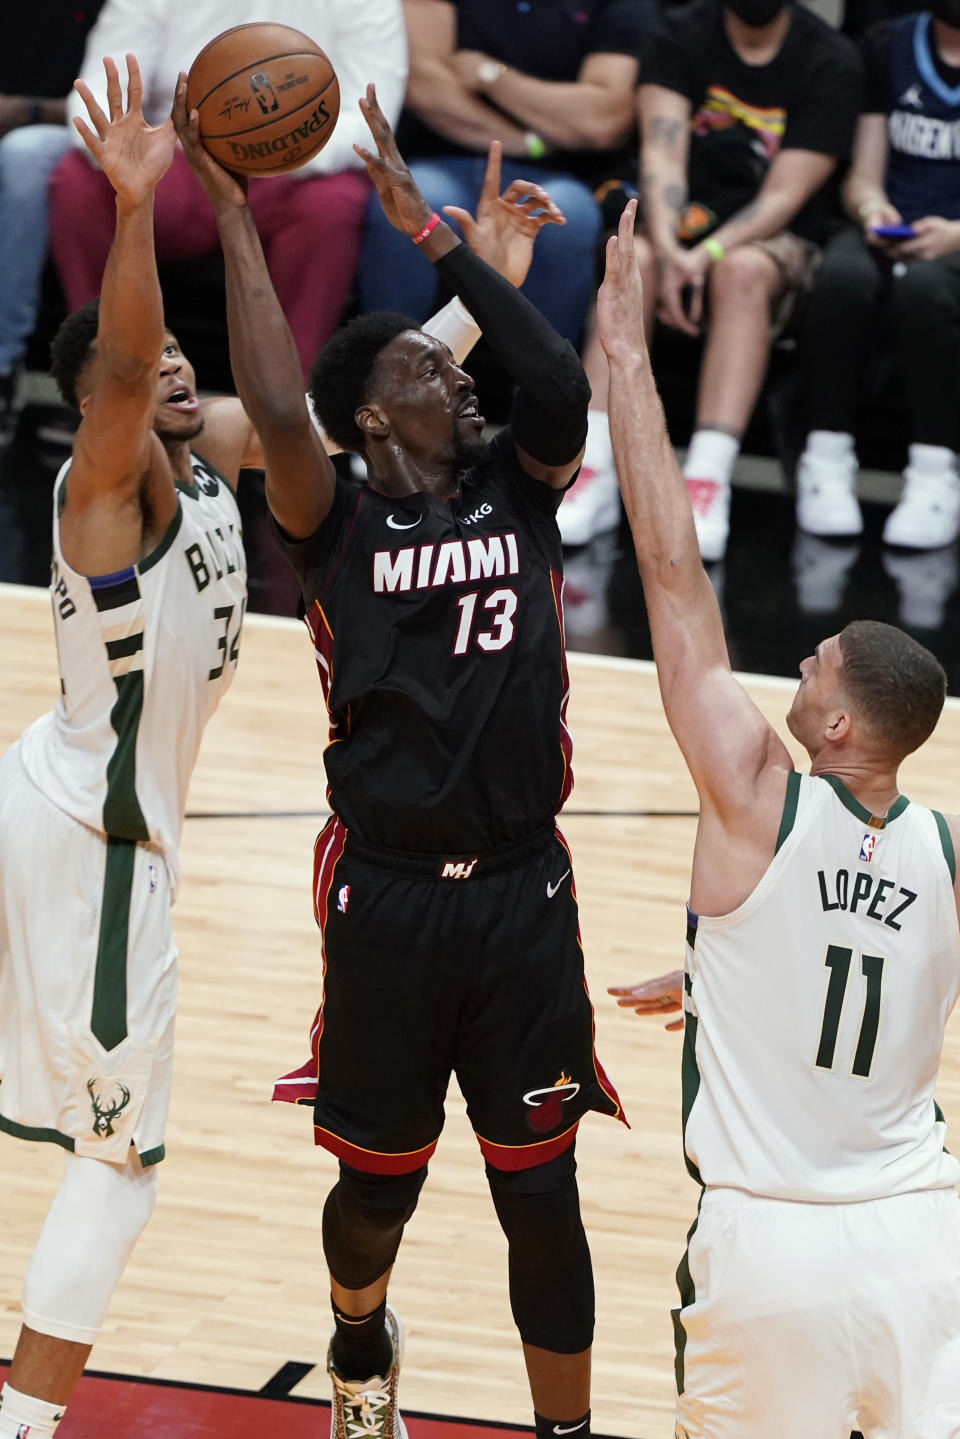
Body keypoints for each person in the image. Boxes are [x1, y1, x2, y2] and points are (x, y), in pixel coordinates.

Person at [174, 75, 624, 1439]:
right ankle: (358, 1336)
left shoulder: (518, 484)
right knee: (380, 1182)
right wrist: (235, 220)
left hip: (523, 894)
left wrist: (443, 249)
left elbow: (551, 374)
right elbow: (271, 394)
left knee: (540, 1187)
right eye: (422, 368)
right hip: (388, 895)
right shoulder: (334, 514)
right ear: (369, 420)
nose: (452, 372)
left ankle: (567, 1428)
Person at [597, 197, 960, 1435]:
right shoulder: (946, 857)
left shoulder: (756, 794)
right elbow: (878, 954)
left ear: (844, 728)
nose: (798, 662)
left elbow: (669, 575)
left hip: (771, 1247)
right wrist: (727, 968)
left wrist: (631, 369)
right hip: (924, 1245)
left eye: (816, 665)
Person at [579, 0, 861, 561]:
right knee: (633, 259)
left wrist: (706, 253)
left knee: (742, 271)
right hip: (680, 225)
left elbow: (785, 194)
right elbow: (662, 155)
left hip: (767, 238)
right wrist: (670, 245)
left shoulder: (832, 59)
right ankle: (592, 467)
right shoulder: (680, 32)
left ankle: (706, 479)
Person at [49, 0, 408, 378]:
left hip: (291, 169)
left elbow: (370, 119)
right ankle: (106, 379)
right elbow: (98, 91)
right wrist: (135, 148)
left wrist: (255, 150)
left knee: (333, 204)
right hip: (176, 159)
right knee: (78, 182)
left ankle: (294, 401)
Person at [359, 0, 645, 365]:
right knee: (410, 204)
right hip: (442, 158)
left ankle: (547, 404)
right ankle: (384, 380)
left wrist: (490, 75)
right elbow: (427, 86)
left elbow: (602, 119)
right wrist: (531, 139)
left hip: (554, 175)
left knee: (566, 218)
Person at [795, 0, 960, 549]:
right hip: (894, 226)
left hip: (955, 241)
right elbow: (863, 176)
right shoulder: (887, 44)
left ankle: (936, 472)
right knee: (841, 275)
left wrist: (956, 235)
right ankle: (826, 456)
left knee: (930, 289)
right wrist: (871, 211)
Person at [0, 2, 104, 446]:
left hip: (75, 130)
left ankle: (3, 362)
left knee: (23, 158)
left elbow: (122, 98)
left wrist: (27, 110)